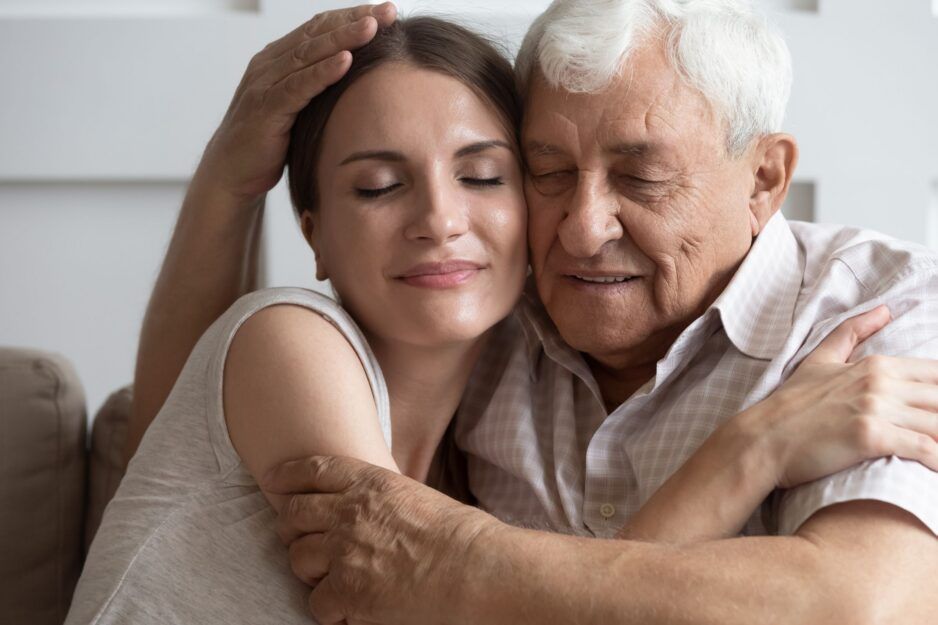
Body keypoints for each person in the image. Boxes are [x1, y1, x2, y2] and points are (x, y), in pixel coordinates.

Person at [98, 3, 937, 625]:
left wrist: (451, 557)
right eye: (546, 171)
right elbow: (174, 429)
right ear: (311, 227)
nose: (582, 227)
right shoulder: (379, 323)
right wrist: (751, 450)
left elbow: (860, 607)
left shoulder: (876, 314)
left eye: (641, 177)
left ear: (763, 180)